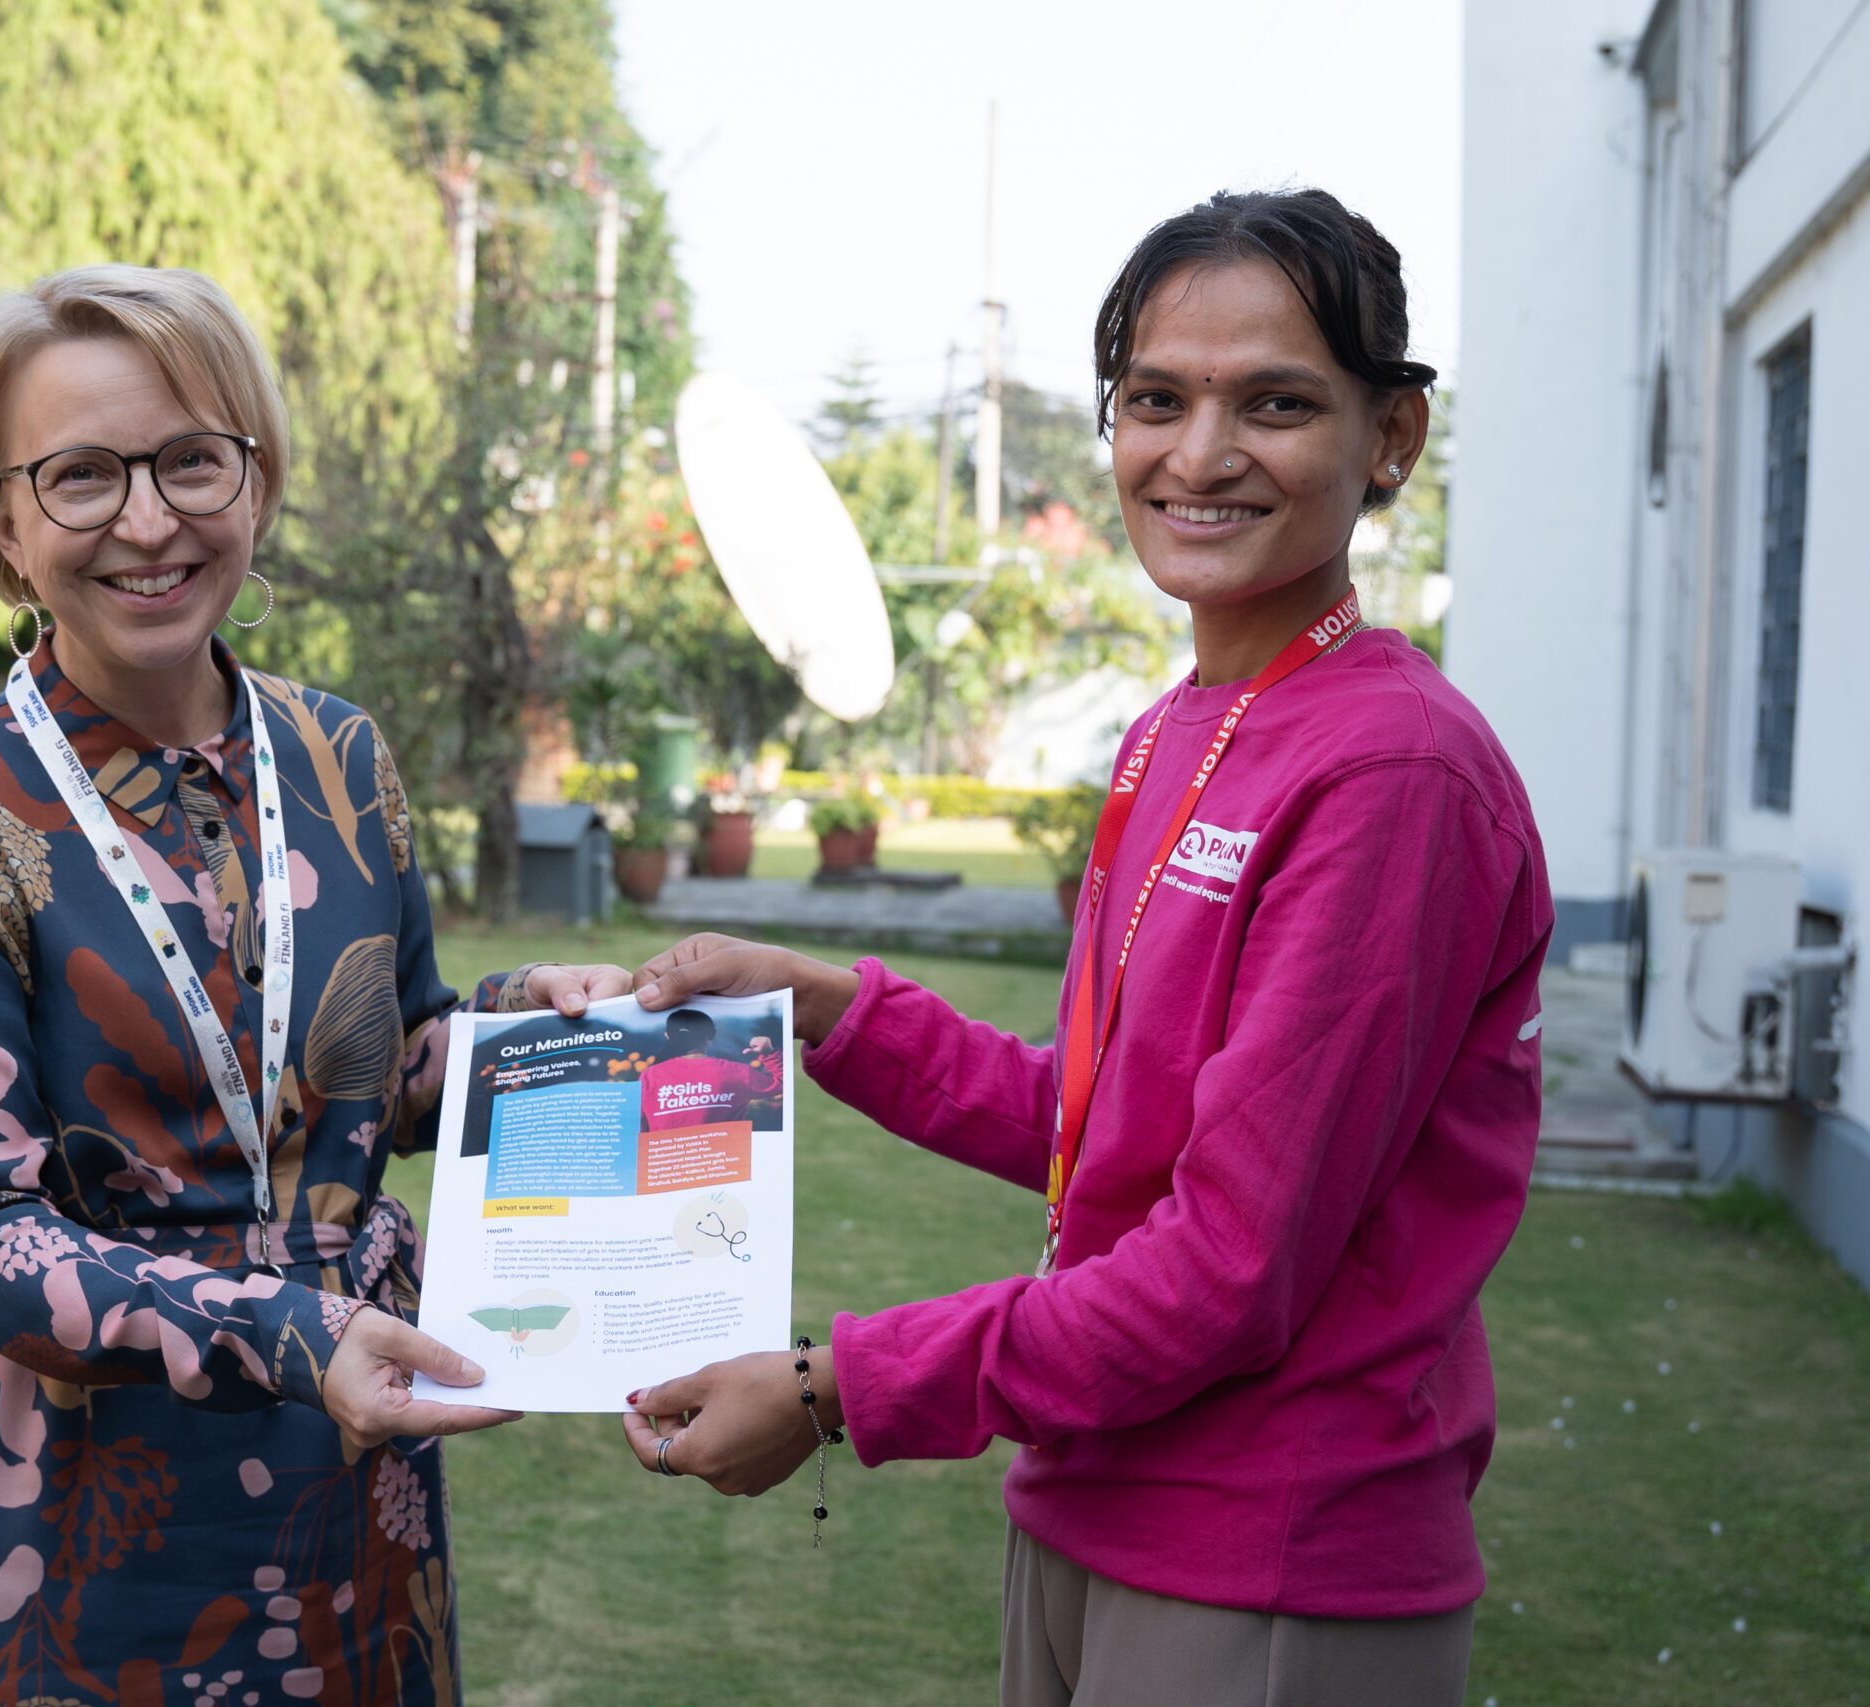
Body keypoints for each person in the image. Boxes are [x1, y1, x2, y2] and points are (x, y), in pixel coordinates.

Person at [535, 189, 1551, 1705]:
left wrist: (835, 1387)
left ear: (1391, 436)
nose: (1199, 455)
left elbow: (1228, 1266)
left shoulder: (1391, 771)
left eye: (1274, 402)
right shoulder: (1179, 730)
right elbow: (1106, 1128)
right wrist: (824, 1006)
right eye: (1157, 400)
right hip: (1096, 1498)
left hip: (1273, 1547)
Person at [0, 265, 537, 1706]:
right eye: (84, 475)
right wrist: (294, 1331)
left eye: (191, 458)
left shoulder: (339, 754)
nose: (151, 517)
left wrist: (559, 1023)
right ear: (4, 520)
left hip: (357, 1500)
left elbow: (391, 1066)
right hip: (81, 1539)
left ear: (257, 474)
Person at [638, 1007, 784, 1131]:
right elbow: (783, 1083)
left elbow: (638, 1126)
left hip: (665, 1159)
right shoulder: (737, 1072)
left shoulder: (649, 1076)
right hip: (724, 1161)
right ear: (712, 1035)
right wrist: (769, 1053)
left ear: (668, 1036)